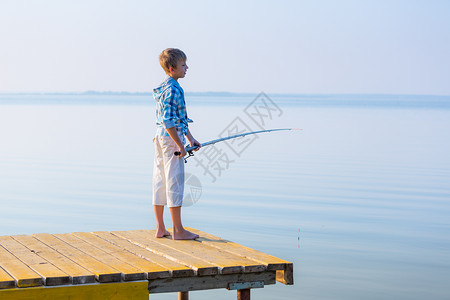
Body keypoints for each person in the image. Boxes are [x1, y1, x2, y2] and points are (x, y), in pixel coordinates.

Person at [152, 48, 201, 240]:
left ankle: (161, 228)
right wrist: (180, 145)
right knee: (175, 182)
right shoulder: (173, 90)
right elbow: (168, 120)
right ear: (172, 69)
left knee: (159, 181)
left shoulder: (164, 87)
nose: (187, 68)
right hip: (171, 140)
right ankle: (178, 231)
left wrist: (190, 139)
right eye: (183, 65)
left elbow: (177, 118)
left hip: (160, 138)